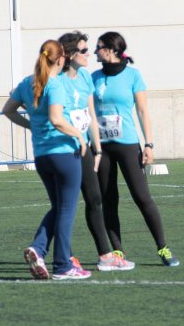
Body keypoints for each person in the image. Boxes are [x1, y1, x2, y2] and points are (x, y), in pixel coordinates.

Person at [2, 39, 91, 280]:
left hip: (42, 157)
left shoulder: (26, 83)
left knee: (59, 207)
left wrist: (30, 125)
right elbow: (57, 119)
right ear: (61, 59)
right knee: (66, 210)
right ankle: (62, 265)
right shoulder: (55, 85)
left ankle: (39, 248)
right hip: (64, 154)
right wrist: (80, 138)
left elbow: (7, 111)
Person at [91, 31, 180, 267]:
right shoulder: (93, 78)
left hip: (128, 144)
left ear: (111, 49)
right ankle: (117, 251)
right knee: (108, 200)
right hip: (101, 147)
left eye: (98, 47)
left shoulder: (133, 75)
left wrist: (149, 144)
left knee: (142, 197)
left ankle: (163, 248)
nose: (94, 52)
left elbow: (142, 111)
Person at [58, 31, 135, 271]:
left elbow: (90, 114)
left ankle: (106, 256)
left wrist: (97, 150)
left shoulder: (85, 78)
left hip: (85, 149)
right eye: (83, 50)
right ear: (69, 55)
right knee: (64, 205)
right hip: (62, 149)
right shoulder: (57, 80)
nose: (89, 53)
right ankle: (61, 255)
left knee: (95, 199)